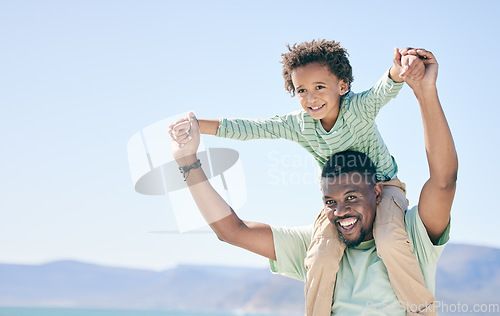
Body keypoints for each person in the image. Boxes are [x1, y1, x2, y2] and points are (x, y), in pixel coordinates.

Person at [169, 49, 457, 315]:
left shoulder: (410, 236)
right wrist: (192, 144)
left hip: (388, 184)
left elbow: (383, 93)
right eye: (302, 90)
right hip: (354, 197)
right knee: (320, 253)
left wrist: (408, 77)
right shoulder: (299, 125)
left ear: (342, 86)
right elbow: (253, 132)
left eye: (319, 87)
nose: (311, 97)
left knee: (389, 240)